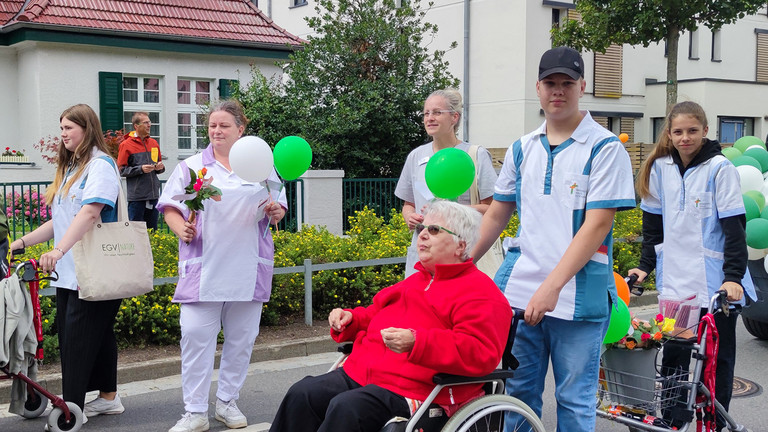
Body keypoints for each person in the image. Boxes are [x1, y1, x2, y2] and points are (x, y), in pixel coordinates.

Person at [471, 46, 636, 432]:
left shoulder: (605, 148)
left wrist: (552, 287)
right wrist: (465, 263)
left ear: (581, 87)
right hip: (521, 290)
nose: (557, 91)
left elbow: (597, 225)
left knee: (574, 400)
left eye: (566, 83)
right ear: (538, 88)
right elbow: (498, 212)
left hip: (577, 297)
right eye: (550, 83)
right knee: (517, 396)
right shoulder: (522, 147)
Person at [269, 200, 513, 432]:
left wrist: (418, 342)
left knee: (347, 409)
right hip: (364, 371)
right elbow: (374, 314)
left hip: (419, 387)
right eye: (421, 228)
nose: (423, 235)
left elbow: (481, 352)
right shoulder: (412, 282)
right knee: (303, 393)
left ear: (461, 245)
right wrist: (350, 319)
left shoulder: (481, 293)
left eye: (435, 229)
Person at [158, 100, 287, 432]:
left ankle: (227, 402)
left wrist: (276, 212)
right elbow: (170, 206)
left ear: (240, 130)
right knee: (195, 338)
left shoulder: (263, 166)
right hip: (205, 269)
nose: (216, 131)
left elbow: (279, 207)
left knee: (241, 340)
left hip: (247, 268)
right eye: (212, 126)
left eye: (224, 125)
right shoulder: (191, 167)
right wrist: (179, 227)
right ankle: (195, 411)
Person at [628, 101, 755, 430]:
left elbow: (734, 229)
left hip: (716, 285)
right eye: (679, 131)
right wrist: (645, 266)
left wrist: (733, 277)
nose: (685, 138)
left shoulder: (718, 168)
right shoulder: (659, 168)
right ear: (669, 133)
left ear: (705, 131)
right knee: (674, 356)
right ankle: (671, 421)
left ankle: (714, 421)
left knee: (716, 358)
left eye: (692, 131)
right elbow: (653, 227)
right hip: (677, 283)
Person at [9, 104, 125, 419]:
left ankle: (72, 408)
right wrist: (22, 242)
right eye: (60, 129)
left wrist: (57, 251)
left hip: (94, 269)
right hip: (72, 272)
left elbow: (90, 213)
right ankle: (108, 397)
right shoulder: (74, 168)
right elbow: (60, 221)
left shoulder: (100, 166)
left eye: (68, 128)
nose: (63, 135)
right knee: (98, 335)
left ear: (87, 129)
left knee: (75, 340)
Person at [395, 88, 497, 278]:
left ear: (454, 117)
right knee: (420, 305)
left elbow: (493, 208)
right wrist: (409, 216)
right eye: (426, 113)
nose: (430, 118)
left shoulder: (475, 156)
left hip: (461, 254)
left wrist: (454, 212)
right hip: (422, 255)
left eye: (437, 112)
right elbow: (408, 204)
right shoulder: (416, 157)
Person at [117, 111, 165, 230]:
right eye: (146, 122)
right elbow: (121, 170)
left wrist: (160, 168)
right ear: (136, 126)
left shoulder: (154, 143)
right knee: (136, 233)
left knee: (153, 232)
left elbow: (158, 166)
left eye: (149, 122)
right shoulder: (126, 145)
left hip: (153, 195)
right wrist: (140, 169)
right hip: (137, 198)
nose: (149, 125)